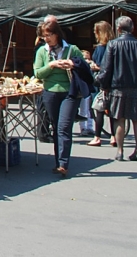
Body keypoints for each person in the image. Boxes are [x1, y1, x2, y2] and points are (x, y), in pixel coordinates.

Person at [33, 19, 85, 177]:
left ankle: (63, 164)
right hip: (50, 92)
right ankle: (58, 162)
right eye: (44, 36)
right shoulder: (42, 51)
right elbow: (37, 73)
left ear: (57, 34)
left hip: (69, 92)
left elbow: (83, 67)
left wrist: (72, 64)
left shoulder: (72, 49)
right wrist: (52, 65)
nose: (46, 39)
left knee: (64, 127)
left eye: (49, 35)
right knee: (56, 127)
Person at [100, 15, 137, 162]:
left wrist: (103, 85)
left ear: (118, 28)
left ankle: (120, 151)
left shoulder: (113, 44)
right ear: (133, 28)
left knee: (119, 119)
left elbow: (106, 68)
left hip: (118, 87)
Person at [86, 20, 114, 146]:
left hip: (99, 81)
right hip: (112, 82)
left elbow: (99, 65)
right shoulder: (114, 45)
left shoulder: (100, 48)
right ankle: (114, 136)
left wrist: (92, 65)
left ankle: (97, 137)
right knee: (112, 111)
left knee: (99, 110)